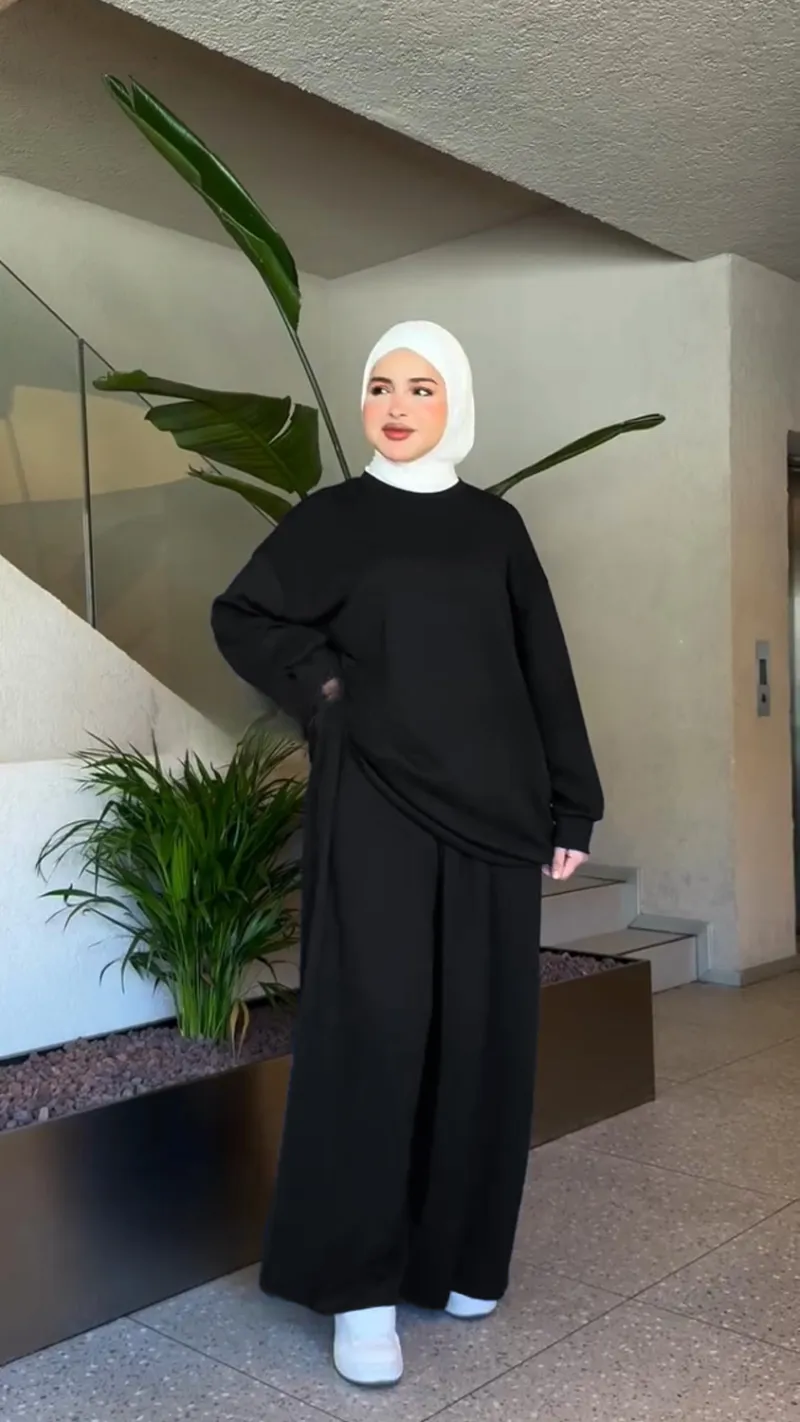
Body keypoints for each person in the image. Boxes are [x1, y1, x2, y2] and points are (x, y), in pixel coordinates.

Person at [211, 320, 603, 1388]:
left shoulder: (495, 528)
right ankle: (360, 1289)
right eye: (380, 385)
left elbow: (543, 667)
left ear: (453, 401)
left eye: (420, 387)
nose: (395, 404)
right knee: (373, 1035)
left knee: (481, 1035)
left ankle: (459, 1254)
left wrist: (572, 805)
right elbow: (244, 615)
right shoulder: (332, 520)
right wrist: (329, 689)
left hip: (494, 816)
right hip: (376, 807)